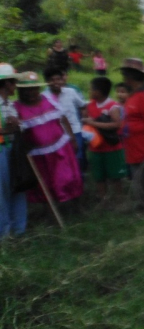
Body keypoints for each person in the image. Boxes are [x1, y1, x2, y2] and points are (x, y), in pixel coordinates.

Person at [13, 71, 83, 205]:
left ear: (38, 89)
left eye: (33, 89)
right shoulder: (16, 108)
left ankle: (74, 205)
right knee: (46, 183)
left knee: (67, 178)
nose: (30, 93)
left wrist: (72, 139)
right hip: (39, 155)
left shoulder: (50, 100)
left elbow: (63, 118)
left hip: (61, 149)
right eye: (26, 90)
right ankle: (51, 210)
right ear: (20, 91)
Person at [82, 76, 127, 200]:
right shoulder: (89, 105)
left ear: (98, 91)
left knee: (115, 175)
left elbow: (116, 124)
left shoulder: (113, 106)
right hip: (95, 148)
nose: (89, 92)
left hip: (111, 148)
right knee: (98, 176)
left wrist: (93, 123)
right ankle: (103, 199)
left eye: (91, 89)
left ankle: (119, 198)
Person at [0, 64, 28, 240]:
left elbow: (20, 126)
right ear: (7, 84)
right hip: (1, 150)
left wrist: (17, 125)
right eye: (13, 83)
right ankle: (4, 233)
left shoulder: (10, 105)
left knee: (18, 186)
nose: (15, 87)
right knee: (2, 192)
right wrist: (10, 128)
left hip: (13, 150)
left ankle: (18, 229)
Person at [45, 68, 88, 173]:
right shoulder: (44, 97)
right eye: (52, 80)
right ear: (47, 82)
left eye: (58, 79)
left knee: (78, 160)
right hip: (57, 135)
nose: (56, 82)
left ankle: (79, 185)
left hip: (75, 131)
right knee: (62, 162)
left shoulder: (71, 92)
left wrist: (84, 123)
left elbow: (82, 106)